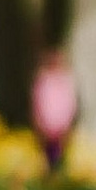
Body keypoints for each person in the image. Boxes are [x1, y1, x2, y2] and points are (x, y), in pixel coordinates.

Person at [30, 41, 78, 179]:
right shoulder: (43, 80)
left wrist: (67, 123)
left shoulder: (66, 80)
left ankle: (58, 176)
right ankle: (49, 176)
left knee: (60, 153)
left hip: (61, 124)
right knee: (47, 154)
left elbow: (70, 103)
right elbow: (39, 103)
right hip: (47, 124)